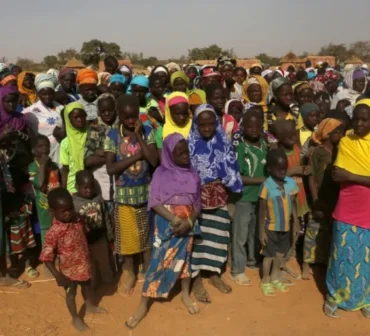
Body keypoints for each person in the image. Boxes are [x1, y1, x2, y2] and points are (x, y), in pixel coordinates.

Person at [126, 133, 201, 329]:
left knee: (185, 260)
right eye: (180, 153)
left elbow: (197, 205)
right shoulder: (161, 173)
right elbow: (155, 202)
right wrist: (176, 220)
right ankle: (144, 303)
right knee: (158, 261)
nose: (185, 156)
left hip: (187, 224)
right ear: (169, 154)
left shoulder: (193, 174)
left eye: (186, 152)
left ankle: (185, 294)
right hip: (167, 224)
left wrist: (189, 222)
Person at [105, 94, 158, 296]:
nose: (130, 120)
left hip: (145, 194)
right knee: (127, 239)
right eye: (126, 117)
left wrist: (140, 138)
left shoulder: (146, 131)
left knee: (146, 238)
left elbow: (153, 161)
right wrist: (137, 155)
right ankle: (130, 273)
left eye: (133, 116)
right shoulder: (112, 135)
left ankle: (147, 270)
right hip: (124, 197)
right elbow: (111, 168)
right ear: (119, 115)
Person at [188, 104, 243, 302]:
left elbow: (231, 166)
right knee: (197, 239)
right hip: (196, 199)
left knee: (218, 237)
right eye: (203, 124)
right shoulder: (189, 145)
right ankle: (195, 280)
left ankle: (214, 274)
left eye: (211, 123)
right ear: (196, 124)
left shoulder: (223, 142)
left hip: (219, 196)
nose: (207, 128)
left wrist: (230, 183)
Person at [324, 99, 370, 318]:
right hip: (348, 203)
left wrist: (351, 176)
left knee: (366, 256)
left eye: (365, 119)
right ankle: (334, 297)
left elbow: (345, 174)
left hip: (368, 206)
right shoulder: (346, 142)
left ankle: (365, 298)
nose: (359, 123)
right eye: (356, 118)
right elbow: (336, 173)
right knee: (341, 252)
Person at [40, 187, 106, 332]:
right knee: (71, 293)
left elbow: (84, 234)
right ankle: (75, 318)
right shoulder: (53, 233)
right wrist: (57, 275)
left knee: (88, 286)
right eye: (63, 211)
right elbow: (46, 258)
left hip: (84, 263)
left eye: (70, 208)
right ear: (53, 211)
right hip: (68, 271)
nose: (68, 213)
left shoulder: (78, 219)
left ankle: (89, 305)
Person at [302, 118, 344, 280]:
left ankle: (322, 263)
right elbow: (311, 177)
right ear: (327, 133)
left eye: (341, 131)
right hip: (320, 197)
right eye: (336, 132)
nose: (340, 135)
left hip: (334, 198)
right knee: (313, 231)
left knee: (328, 232)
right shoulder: (317, 152)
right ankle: (306, 263)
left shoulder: (341, 151)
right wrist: (315, 200)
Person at [230, 111, 267, 286]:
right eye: (249, 126)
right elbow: (239, 177)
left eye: (257, 126)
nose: (254, 129)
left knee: (254, 231)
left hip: (261, 197)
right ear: (243, 127)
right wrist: (264, 180)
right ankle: (238, 268)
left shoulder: (265, 146)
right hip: (244, 197)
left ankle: (252, 260)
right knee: (241, 234)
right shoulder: (241, 147)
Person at [258, 149, 299, 296]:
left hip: (286, 227)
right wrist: (261, 231)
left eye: (284, 169)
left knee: (280, 255)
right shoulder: (266, 186)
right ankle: (265, 280)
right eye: (278, 169)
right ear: (270, 168)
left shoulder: (291, 183)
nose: (282, 172)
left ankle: (275, 277)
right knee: (268, 255)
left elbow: (293, 204)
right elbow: (261, 211)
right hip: (270, 227)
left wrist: (296, 223)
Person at [72, 170, 114, 288]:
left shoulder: (98, 199)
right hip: (84, 240)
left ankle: (108, 280)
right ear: (77, 186)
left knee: (104, 261)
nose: (89, 190)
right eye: (85, 188)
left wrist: (110, 235)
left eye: (91, 187)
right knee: (90, 264)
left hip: (100, 237)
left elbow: (105, 217)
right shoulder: (73, 202)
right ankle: (93, 284)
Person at [3, 149, 39, 280]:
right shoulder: (6, 196)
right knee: (13, 249)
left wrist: (25, 212)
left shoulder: (24, 194)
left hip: (24, 224)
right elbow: (5, 210)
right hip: (12, 226)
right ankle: (14, 266)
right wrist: (8, 216)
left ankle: (29, 265)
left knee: (28, 246)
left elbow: (29, 205)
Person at [23, 73, 64, 163]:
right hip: (42, 153)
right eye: (44, 94)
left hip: (62, 152)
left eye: (50, 94)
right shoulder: (30, 111)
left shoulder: (61, 108)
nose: (48, 97)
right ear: (38, 93)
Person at [84, 93, 117, 204]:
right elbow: (88, 160)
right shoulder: (95, 128)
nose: (107, 113)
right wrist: (113, 155)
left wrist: (102, 153)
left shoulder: (122, 125)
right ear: (98, 112)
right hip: (102, 185)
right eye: (103, 111)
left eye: (110, 110)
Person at [28, 135, 60, 246]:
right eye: (40, 146)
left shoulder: (54, 166)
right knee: (47, 239)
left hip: (57, 208)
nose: (44, 149)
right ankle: (48, 262)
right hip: (44, 210)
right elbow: (40, 184)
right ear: (33, 150)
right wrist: (42, 165)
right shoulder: (32, 167)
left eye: (47, 146)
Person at [60, 102, 87, 193]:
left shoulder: (90, 136)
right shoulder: (65, 142)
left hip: (90, 185)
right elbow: (65, 170)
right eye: (76, 117)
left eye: (82, 116)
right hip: (72, 186)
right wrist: (64, 190)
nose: (80, 120)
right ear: (68, 119)